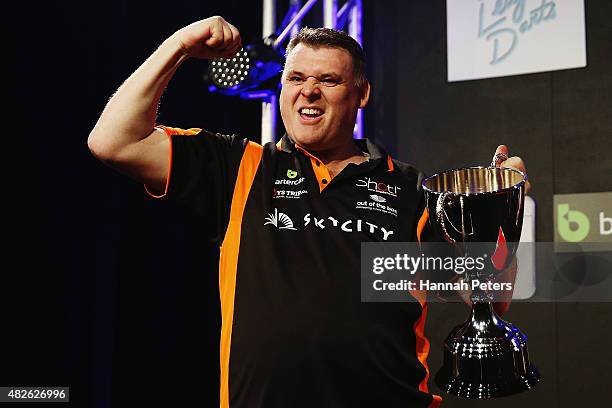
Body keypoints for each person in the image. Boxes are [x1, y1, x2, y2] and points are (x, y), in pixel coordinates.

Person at [88, 16, 528, 408]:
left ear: (361, 93)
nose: (308, 91)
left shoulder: (411, 188)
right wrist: (178, 46)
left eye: (328, 80)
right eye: (295, 78)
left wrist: (502, 210)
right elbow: (113, 142)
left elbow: (488, 299)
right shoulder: (240, 166)